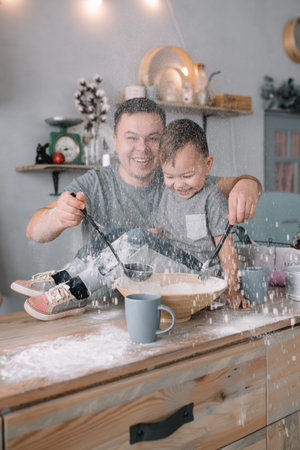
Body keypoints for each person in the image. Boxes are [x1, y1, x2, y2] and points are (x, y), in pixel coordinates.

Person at [12, 98, 260, 319]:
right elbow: (33, 229)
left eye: (153, 138)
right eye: (132, 138)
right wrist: (59, 216)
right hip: (106, 315)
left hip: (190, 278)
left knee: (137, 237)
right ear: (116, 141)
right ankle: (63, 280)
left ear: (164, 144)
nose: (142, 148)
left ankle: (78, 290)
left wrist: (248, 184)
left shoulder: (184, 180)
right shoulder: (97, 183)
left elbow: (234, 187)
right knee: (117, 235)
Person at [153, 118, 250, 308]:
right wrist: (154, 237)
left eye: (187, 176)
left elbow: (226, 248)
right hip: (175, 273)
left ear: (207, 164)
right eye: (169, 176)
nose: (179, 184)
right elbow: (164, 234)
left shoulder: (211, 197)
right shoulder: (167, 194)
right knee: (133, 240)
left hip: (203, 274)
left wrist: (233, 290)